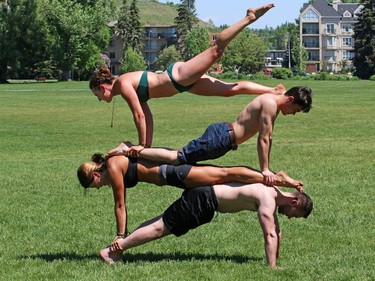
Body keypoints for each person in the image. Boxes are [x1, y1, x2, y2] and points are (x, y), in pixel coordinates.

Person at [89, 4, 284, 148]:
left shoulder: (122, 84)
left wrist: (140, 145)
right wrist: (146, 146)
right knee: (228, 91)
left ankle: (249, 18)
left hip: (177, 77)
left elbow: (138, 115)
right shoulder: (125, 87)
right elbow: (147, 115)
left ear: (102, 87)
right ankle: (272, 90)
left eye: (96, 94)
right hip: (184, 85)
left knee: (216, 50)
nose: (98, 99)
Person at [109, 86, 313, 186]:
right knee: (178, 157)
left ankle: (136, 152)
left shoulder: (273, 101)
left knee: (180, 157)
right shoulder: (270, 104)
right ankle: (129, 150)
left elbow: (267, 136)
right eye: (296, 109)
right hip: (221, 138)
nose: (293, 113)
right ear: (291, 99)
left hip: (223, 139)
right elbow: (264, 139)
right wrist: (265, 169)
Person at [77, 153, 304, 243]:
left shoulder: (114, 166)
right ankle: (272, 179)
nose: (97, 188)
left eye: (94, 185)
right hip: (171, 176)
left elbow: (120, 203)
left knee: (224, 174)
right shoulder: (113, 162)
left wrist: (120, 234)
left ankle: (275, 179)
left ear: (96, 175)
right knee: (223, 175)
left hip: (173, 174)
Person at [99, 182, 313, 268]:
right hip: (204, 200)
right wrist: (273, 268)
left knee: (162, 222)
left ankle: (118, 248)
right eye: (296, 214)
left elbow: (276, 231)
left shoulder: (272, 193)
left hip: (205, 198)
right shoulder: (268, 199)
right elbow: (270, 235)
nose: (291, 217)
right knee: (161, 227)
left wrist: (277, 260)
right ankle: (112, 251)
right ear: (295, 202)